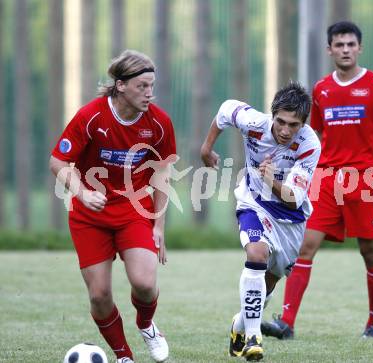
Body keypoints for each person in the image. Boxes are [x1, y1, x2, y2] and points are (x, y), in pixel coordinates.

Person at [261, 21, 373, 340]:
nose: (345, 50)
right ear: (329, 49)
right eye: (339, 45)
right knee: (305, 246)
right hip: (327, 178)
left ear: (359, 48)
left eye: (350, 44)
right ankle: (286, 323)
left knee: (370, 252)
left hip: (366, 179)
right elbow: (312, 133)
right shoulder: (321, 89)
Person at [50, 50, 176, 363]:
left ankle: (146, 326)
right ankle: (123, 356)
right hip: (90, 216)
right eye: (142, 86)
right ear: (120, 85)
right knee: (99, 294)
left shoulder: (159, 123)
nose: (149, 93)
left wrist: (158, 225)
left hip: (134, 210)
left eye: (151, 86)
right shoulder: (91, 116)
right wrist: (82, 193)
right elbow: (58, 161)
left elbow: (162, 173)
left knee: (145, 284)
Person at [201, 81, 321, 361]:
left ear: (303, 123)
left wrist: (271, 179)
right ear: (272, 114)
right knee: (257, 252)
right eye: (280, 121)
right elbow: (225, 110)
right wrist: (207, 148)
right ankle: (253, 337)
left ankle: (240, 324)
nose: (284, 130)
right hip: (253, 202)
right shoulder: (254, 122)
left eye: (293, 125)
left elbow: (294, 198)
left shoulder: (309, 144)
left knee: (268, 283)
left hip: (290, 220)